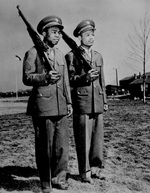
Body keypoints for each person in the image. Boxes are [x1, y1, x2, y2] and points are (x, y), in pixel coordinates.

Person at [23, 15, 72, 193]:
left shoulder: (60, 54)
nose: (58, 36)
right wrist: (44, 77)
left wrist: (69, 102)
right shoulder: (33, 52)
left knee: (61, 146)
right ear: (44, 33)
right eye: (54, 32)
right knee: (44, 146)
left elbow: (66, 80)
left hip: (61, 105)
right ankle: (45, 181)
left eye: (59, 32)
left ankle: (59, 177)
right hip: (43, 106)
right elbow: (27, 77)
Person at [65, 19, 108, 184]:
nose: (91, 38)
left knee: (98, 139)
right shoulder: (71, 56)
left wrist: (104, 99)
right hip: (82, 102)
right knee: (84, 139)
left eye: (92, 35)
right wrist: (85, 77)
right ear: (80, 37)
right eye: (87, 35)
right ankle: (85, 172)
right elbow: (69, 79)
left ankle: (96, 169)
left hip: (97, 101)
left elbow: (102, 80)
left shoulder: (98, 56)